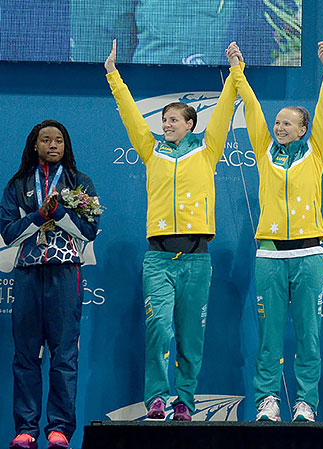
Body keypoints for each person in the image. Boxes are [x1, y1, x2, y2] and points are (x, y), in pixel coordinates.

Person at [104, 39, 237, 421]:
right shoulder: (151, 150)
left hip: (196, 260)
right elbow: (131, 115)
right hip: (158, 258)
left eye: (173, 120)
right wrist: (114, 75)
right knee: (159, 329)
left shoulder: (208, 151)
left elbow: (226, 112)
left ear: (190, 124)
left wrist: (233, 73)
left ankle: (186, 402)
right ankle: (158, 398)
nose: (166, 125)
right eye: (163, 120)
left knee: (191, 340)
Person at [225, 41, 323, 423]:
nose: (279, 127)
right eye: (277, 123)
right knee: (269, 338)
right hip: (270, 255)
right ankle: (268, 400)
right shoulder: (264, 150)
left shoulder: (315, 151)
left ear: (303, 129)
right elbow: (252, 110)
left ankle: (306, 402)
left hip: (308, 256)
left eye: (287, 123)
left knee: (309, 336)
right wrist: (238, 70)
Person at [1, 120, 100, 449]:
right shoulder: (18, 184)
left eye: (58, 140)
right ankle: (25, 429)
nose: (53, 145)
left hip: (64, 274)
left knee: (64, 356)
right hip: (28, 273)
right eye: (46, 140)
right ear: (35, 145)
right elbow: (8, 232)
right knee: (26, 356)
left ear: (65, 145)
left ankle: (59, 430)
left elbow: (88, 232)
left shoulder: (79, 181)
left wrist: (58, 213)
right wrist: (38, 216)